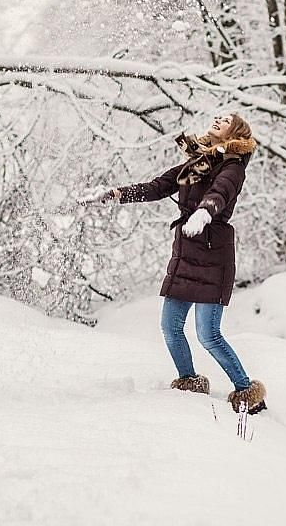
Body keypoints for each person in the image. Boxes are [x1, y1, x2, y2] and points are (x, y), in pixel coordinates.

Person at [89, 114, 266, 414]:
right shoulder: (201, 163)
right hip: (186, 253)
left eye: (226, 120)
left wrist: (205, 212)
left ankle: (247, 393)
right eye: (218, 116)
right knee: (170, 327)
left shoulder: (233, 166)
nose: (218, 119)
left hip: (212, 256)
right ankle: (189, 381)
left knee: (208, 335)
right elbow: (158, 187)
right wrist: (117, 194)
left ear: (235, 132)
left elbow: (221, 192)